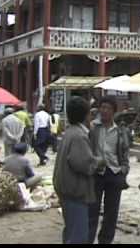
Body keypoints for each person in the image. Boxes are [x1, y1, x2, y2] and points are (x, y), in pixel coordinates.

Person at [53, 96, 106, 244]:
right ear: (85, 115)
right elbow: (84, 164)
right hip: (75, 191)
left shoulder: (71, 132)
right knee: (79, 235)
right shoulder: (79, 136)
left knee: (71, 230)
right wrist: (100, 161)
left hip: (66, 188)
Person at [88, 96, 131, 244]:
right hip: (96, 173)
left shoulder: (119, 130)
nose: (104, 110)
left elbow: (125, 151)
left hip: (114, 173)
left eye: (108, 108)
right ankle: (88, 239)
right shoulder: (93, 127)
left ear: (114, 112)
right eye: (102, 107)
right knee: (92, 210)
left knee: (111, 212)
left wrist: (124, 169)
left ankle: (105, 240)